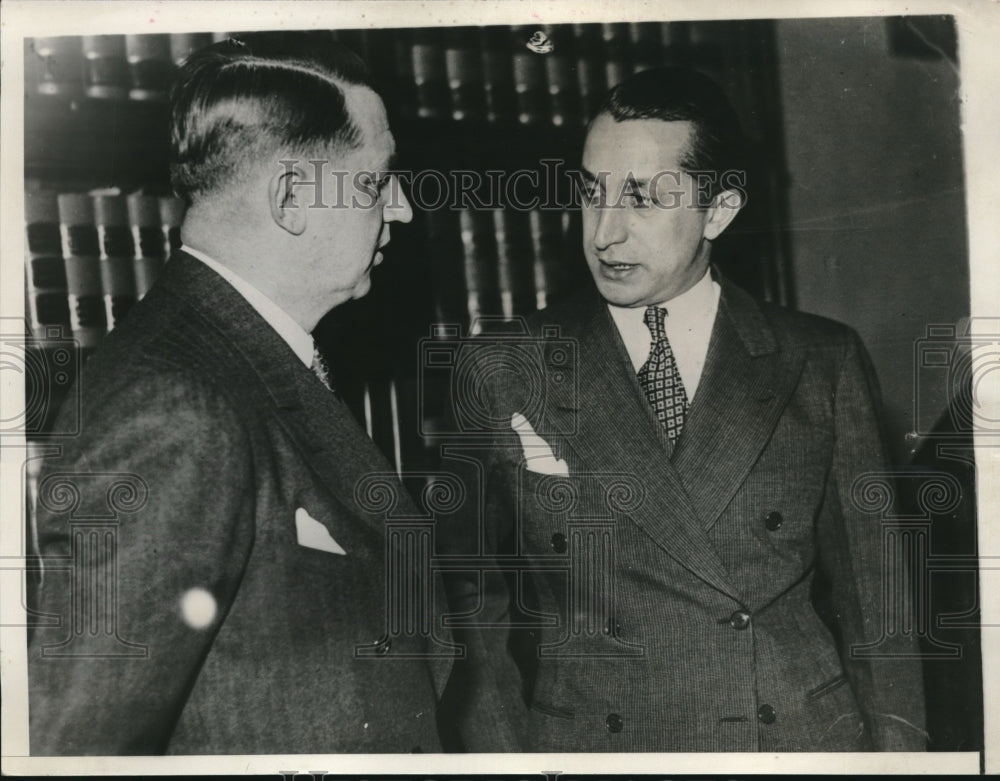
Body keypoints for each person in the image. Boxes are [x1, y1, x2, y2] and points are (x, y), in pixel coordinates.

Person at [451, 66, 928, 752]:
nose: (605, 235)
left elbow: (881, 602)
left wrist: (905, 764)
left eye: (642, 199)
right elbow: (466, 603)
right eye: (592, 194)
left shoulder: (819, 361)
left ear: (719, 211)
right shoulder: (500, 368)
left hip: (790, 742)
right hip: (597, 747)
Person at [27, 32, 450, 755]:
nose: (404, 209)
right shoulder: (176, 407)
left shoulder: (247, 357)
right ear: (290, 196)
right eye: (379, 180)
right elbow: (74, 744)